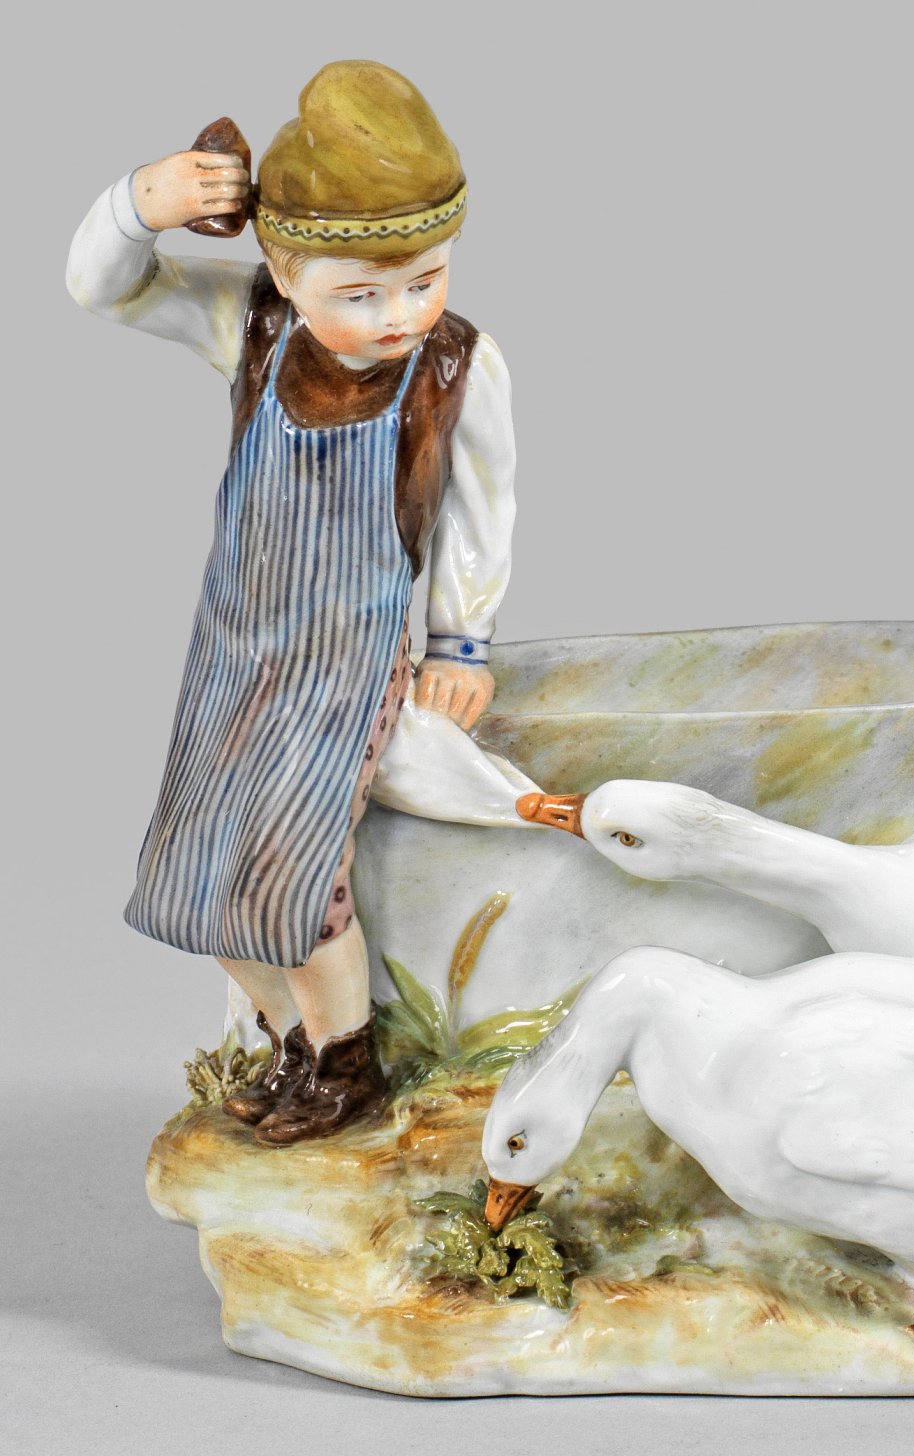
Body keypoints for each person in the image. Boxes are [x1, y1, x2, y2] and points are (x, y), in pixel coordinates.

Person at [66, 60, 517, 1144]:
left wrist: (460, 641)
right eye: (359, 294)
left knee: (297, 884)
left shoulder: (457, 366)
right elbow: (104, 287)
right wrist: (139, 204)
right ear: (282, 265)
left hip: (345, 665)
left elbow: (483, 508)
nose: (399, 315)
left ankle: (346, 1062)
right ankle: (291, 1049)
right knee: (199, 880)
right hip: (233, 653)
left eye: (423, 281)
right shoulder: (253, 328)